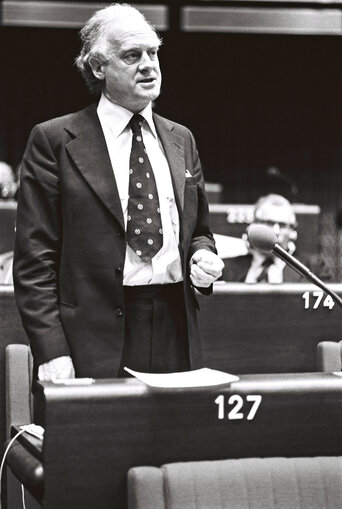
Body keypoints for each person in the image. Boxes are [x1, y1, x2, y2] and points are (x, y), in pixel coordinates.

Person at [13, 3, 224, 381]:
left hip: (177, 329)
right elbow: (34, 260)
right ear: (98, 67)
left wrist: (202, 258)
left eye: (153, 52)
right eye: (131, 55)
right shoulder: (54, 140)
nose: (148, 65)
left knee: (175, 441)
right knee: (101, 440)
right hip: (91, 336)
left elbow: (201, 231)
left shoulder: (181, 139)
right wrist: (51, 351)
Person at [222, 194, 301, 283]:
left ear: (292, 232)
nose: (276, 231)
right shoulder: (224, 269)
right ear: (253, 226)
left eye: (282, 225)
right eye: (269, 223)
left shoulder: (312, 271)